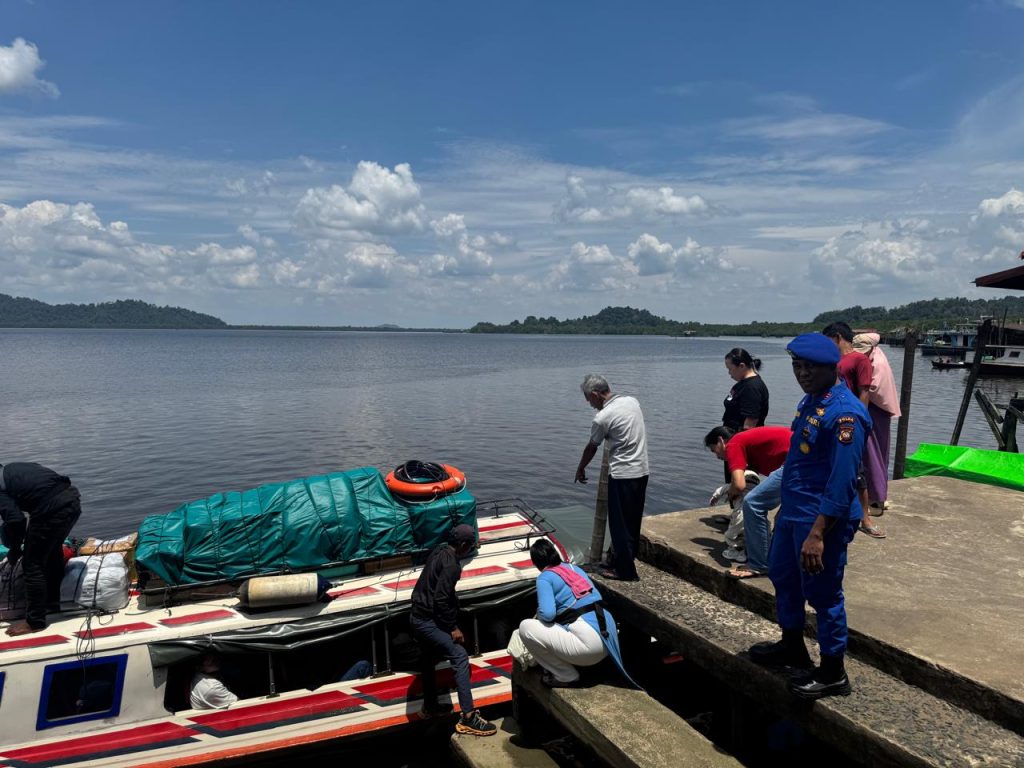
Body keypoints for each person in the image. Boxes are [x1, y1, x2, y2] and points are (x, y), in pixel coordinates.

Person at [748, 333, 870, 700]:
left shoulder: (845, 414)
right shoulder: (812, 400)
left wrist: (818, 533)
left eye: (810, 367)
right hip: (794, 513)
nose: (802, 373)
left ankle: (833, 671)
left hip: (822, 519)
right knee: (784, 577)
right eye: (797, 366)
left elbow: (843, 481)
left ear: (832, 368)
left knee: (824, 593)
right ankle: (792, 646)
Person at [410, 523, 496, 737]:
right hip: (427, 620)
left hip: (417, 615)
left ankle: (430, 707)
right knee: (459, 655)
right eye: (471, 545)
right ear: (464, 545)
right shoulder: (452, 566)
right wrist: (453, 628)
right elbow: (441, 599)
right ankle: (468, 716)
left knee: (428, 659)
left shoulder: (439, 550)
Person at [517, 539, 637, 688]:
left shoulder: (545, 577)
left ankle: (565, 675)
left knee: (525, 627)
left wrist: (538, 613)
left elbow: (547, 615)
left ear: (536, 563)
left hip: (589, 648)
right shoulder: (574, 569)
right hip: (609, 640)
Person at [575, 374, 649, 582]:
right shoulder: (632, 401)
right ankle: (619, 560)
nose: (590, 404)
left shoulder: (602, 417)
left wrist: (581, 468)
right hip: (642, 470)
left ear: (596, 394)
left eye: (589, 399)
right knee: (632, 522)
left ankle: (625, 572)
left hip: (622, 474)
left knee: (619, 525)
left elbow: (592, 447)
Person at [0, 462, 82, 636]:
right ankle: (53, 602)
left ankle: (35, 621)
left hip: (52, 509)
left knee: (32, 564)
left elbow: (16, 519)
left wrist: (14, 548)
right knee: (51, 554)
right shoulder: (13, 469)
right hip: (72, 501)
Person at [822, 322, 885, 539]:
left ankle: (865, 518)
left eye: (828, 340)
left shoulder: (859, 360)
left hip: (850, 419)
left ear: (838, 337)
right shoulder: (832, 361)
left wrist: (861, 419)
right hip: (830, 417)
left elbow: (864, 391)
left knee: (857, 472)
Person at [704, 425, 792, 579]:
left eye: (714, 450)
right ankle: (777, 558)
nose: (716, 456)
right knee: (782, 518)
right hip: (809, 457)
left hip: (796, 462)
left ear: (721, 441)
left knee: (753, 504)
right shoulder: (746, 442)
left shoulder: (733, 444)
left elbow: (739, 485)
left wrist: (730, 493)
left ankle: (759, 564)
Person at [852, 331, 900, 515]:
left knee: (871, 453)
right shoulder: (878, 357)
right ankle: (879, 494)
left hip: (874, 410)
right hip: (881, 411)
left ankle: (875, 497)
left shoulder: (876, 362)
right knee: (880, 453)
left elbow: (871, 388)